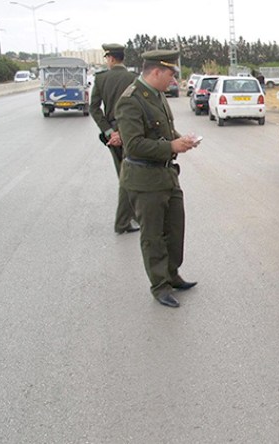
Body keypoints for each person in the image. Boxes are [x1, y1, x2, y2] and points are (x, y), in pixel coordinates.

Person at [115, 50, 200, 308]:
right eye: (171, 74)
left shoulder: (157, 95)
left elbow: (163, 129)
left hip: (166, 174)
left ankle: (172, 275)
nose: (173, 80)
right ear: (156, 72)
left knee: (175, 229)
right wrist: (171, 146)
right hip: (144, 179)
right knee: (153, 235)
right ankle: (160, 285)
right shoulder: (130, 100)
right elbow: (134, 145)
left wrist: (180, 139)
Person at [89, 43, 140, 234]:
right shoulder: (133, 79)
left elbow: (94, 108)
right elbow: (135, 108)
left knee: (125, 175)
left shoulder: (101, 79)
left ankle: (129, 218)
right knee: (129, 176)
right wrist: (121, 131)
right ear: (122, 58)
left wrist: (110, 131)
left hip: (112, 135)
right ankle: (124, 220)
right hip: (130, 132)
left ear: (110, 58)